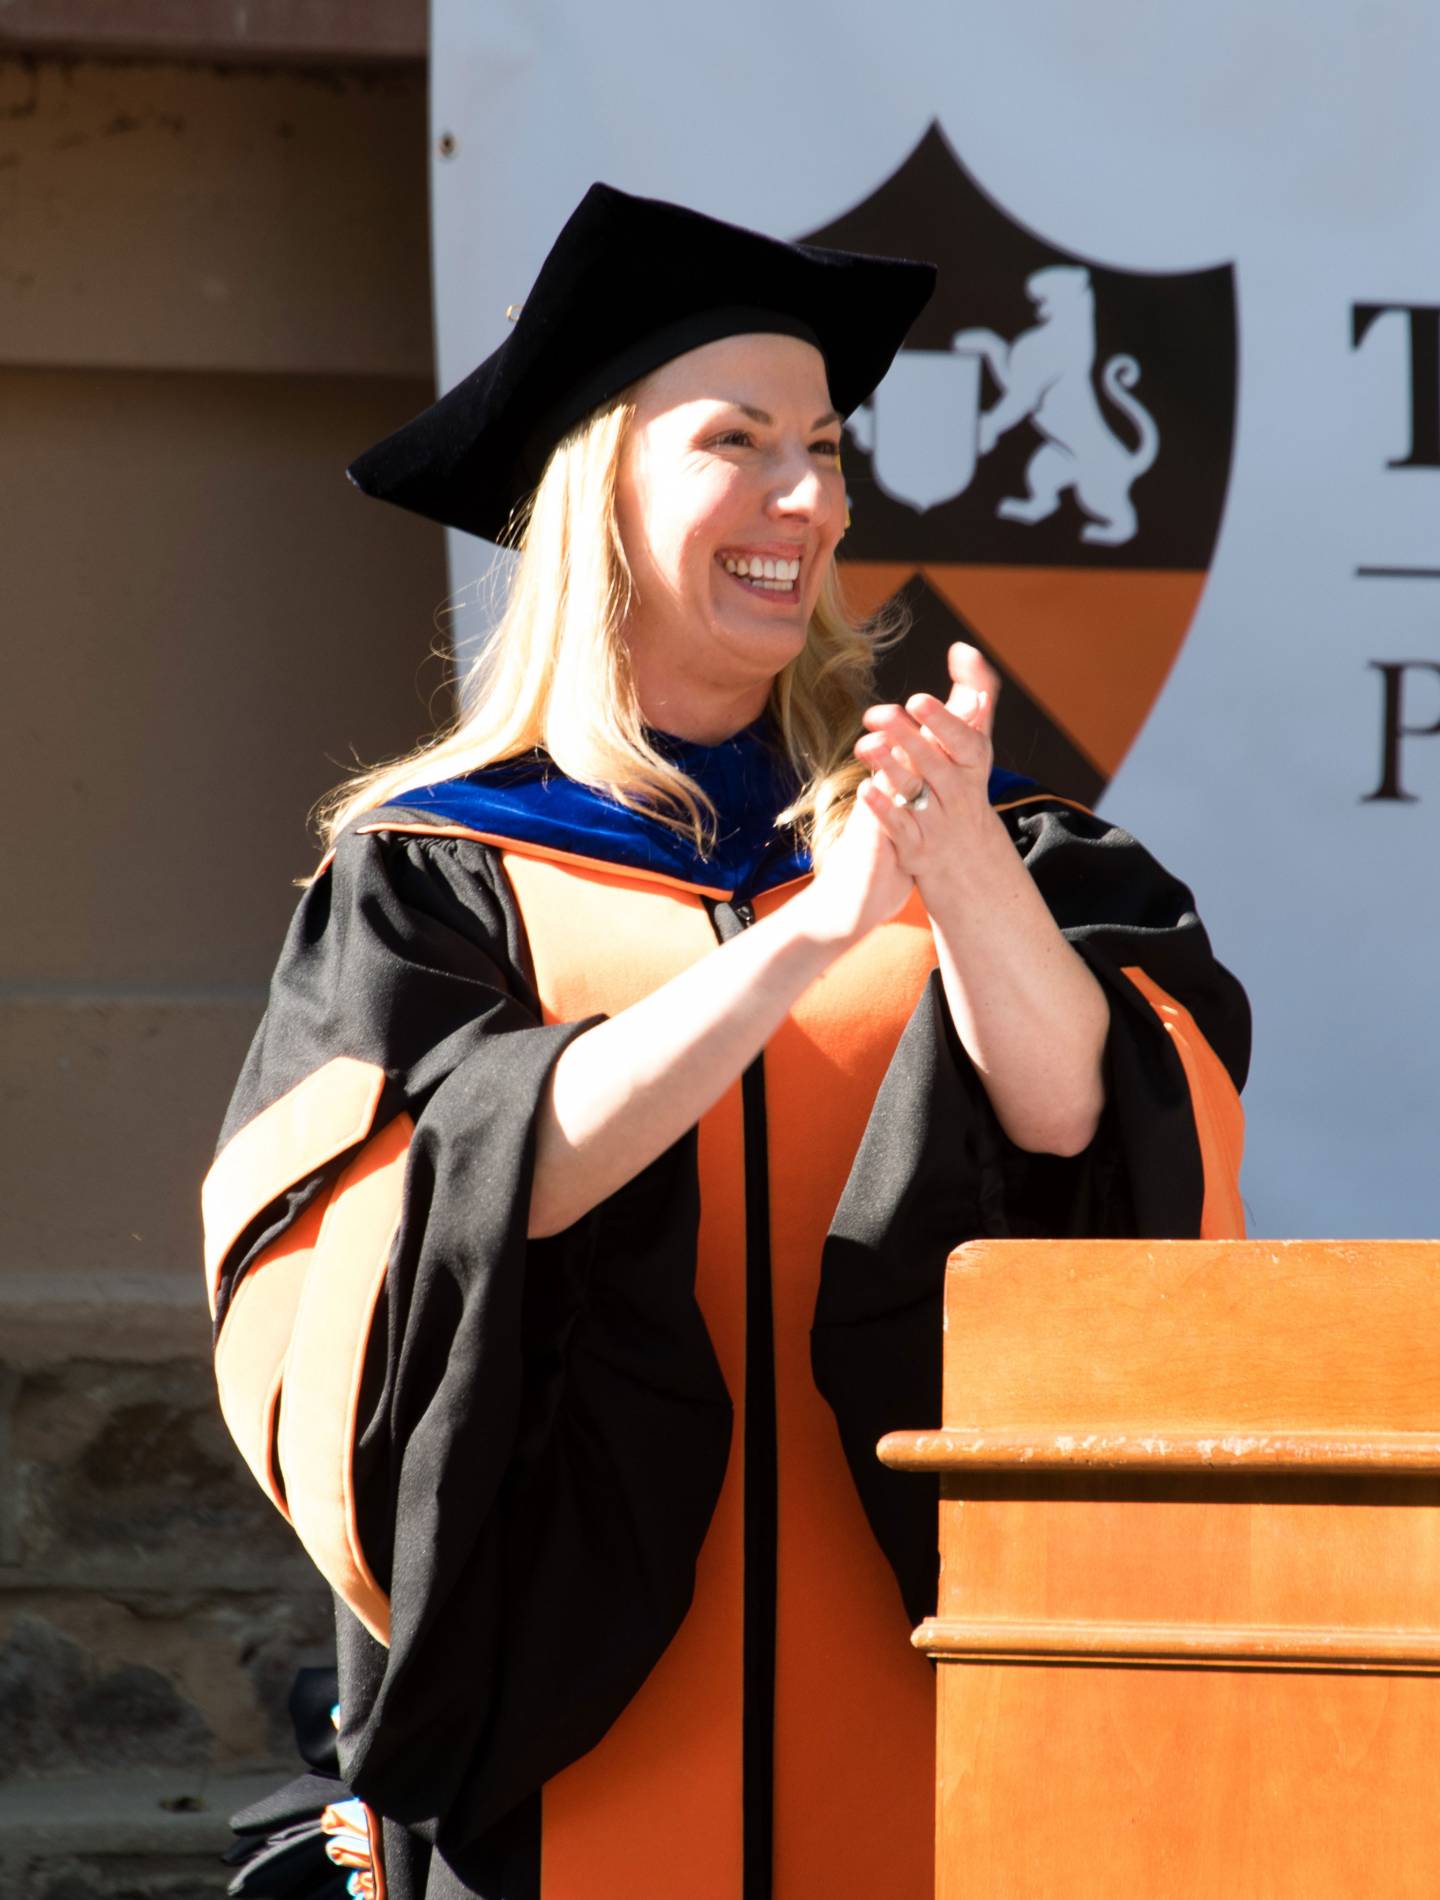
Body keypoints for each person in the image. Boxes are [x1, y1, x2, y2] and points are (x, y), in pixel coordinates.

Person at [205, 183, 1249, 1900]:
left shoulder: (965, 829)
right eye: (738, 440)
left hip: (927, 1702)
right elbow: (436, 1203)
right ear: (593, 494)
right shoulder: (434, 877)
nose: (806, 497)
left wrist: (964, 873)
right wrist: (807, 943)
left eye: (827, 448)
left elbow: (1102, 1129)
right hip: (575, 1734)